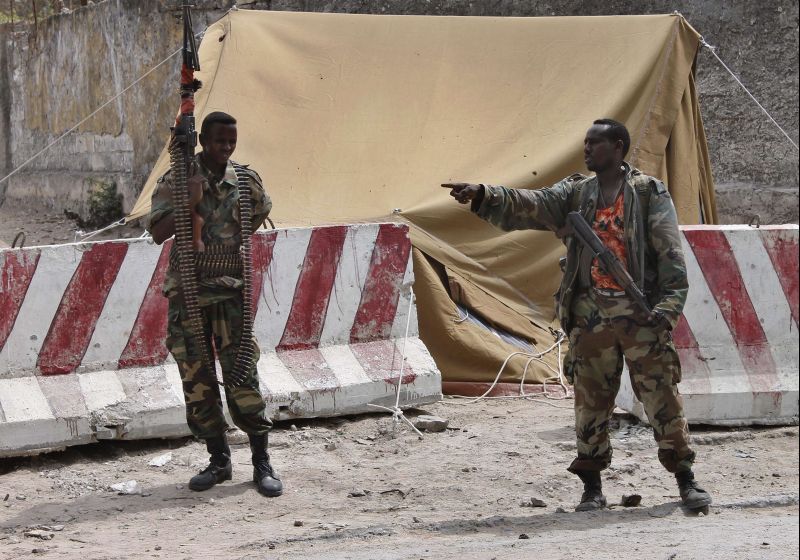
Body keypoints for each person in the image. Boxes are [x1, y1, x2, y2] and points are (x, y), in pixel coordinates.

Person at [442, 119, 712, 512]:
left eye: (595, 143)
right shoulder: (576, 194)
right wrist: (484, 194)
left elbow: (670, 254)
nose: (586, 149)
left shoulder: (646, 193)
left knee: (662, 399)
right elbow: (532, 204)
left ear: (618, 147)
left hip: (641, 315)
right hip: (589, 317)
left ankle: (685, 480)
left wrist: (667, 310)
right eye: (585, 143)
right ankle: (592, 487)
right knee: (590, 403)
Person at [147, 111, 282, 498]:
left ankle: (261, 460)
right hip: (189, 293)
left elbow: (258, 213)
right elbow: (157, 232)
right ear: (203, 140)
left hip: (230, 293)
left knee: (242, 374)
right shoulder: (177, 179)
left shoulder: (245, 181)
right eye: (219, 141)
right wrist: (186, 202)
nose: (226, 148)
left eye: (231, 141)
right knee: (196, 378)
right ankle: (218, 458)